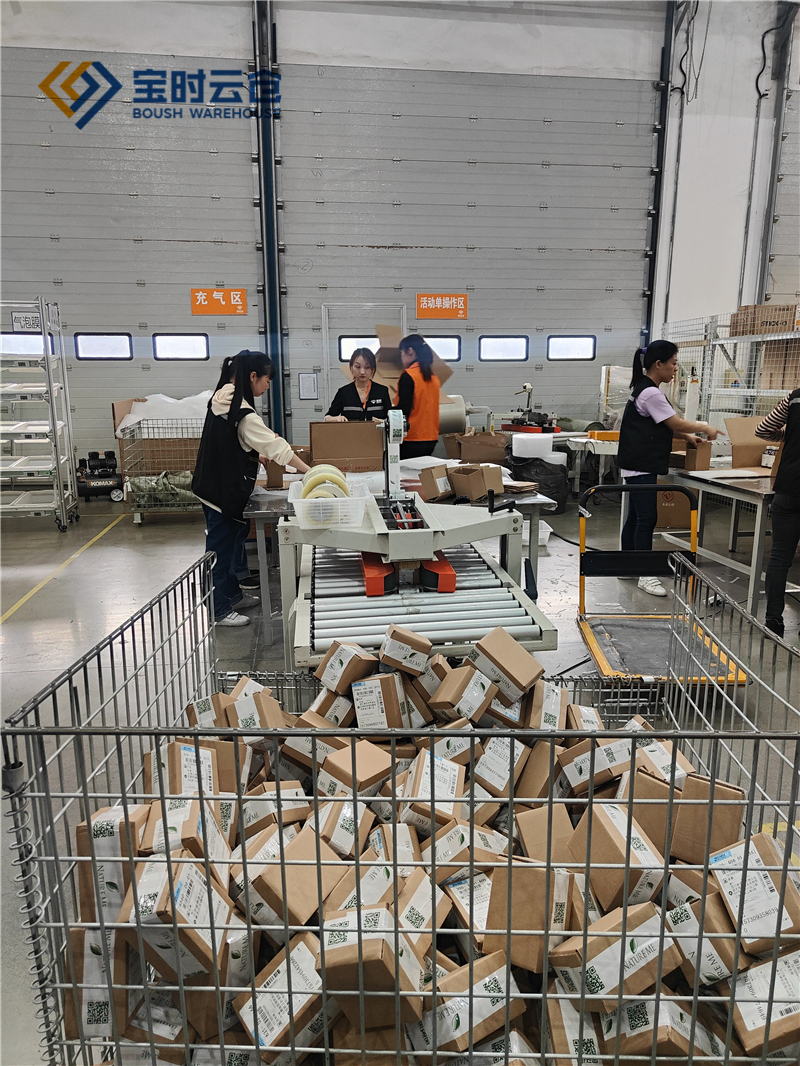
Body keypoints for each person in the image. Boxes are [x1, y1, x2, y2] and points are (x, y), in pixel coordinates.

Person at [192, 350, 310, 627]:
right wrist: (310, 470)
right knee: (220, 552)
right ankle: (218, 610)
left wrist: (254, 454)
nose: (267, 387)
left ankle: (232, 596)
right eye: (267, 380)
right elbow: (277, 446)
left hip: (215, 486)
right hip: (220, 493)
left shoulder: (223, 397)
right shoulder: (241, 411)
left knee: (233, 542)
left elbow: (229, 442)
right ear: (253, 376)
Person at [617, 339, 722, 597]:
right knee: (647, 518)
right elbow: (675, 422)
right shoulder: (651, 392)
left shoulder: (644, 388)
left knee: (635, 517)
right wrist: (704, 427)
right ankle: (645, 574)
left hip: (635, 463)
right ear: (658, 364)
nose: (676, 368)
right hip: (641, 465)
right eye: (674, 363)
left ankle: (627, 565)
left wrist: (688, 438)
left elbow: (663, 423)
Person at [756, 387, 800, 639]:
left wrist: (789, 434)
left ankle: (773, 622)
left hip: (788, 487)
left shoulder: (794, 397)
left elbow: (762, 430)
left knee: (780, 557)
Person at [396, 334, 441, 459]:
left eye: (401, 352)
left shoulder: (409, 376)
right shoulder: (433, 378)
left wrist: (386, 412)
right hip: (431, 438)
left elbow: (404, 410)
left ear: (410, 351)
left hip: (411, 438)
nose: (401, 357)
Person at [325, 347, 391, 422]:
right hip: (351, 430)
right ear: (351, 367)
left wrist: (383, 422)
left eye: (367, 367)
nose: (362, 372)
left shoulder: (382, 391)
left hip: (376, 429)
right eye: (358, 367)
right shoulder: (343, 392)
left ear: (373, 369)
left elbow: (391, 418)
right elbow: (327, 417)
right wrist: (337, 418)